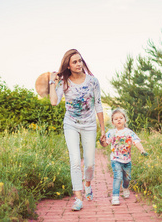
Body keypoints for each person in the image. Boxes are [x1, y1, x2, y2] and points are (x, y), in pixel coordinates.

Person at [50, 49, 105, 211]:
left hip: (89, 125)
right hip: (71, 125)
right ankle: (78, 198)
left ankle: (87, 184)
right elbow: (54, 102)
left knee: (89, 164)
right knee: (75, 161)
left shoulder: (93, 81)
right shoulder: (64, 82)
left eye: (80, 60)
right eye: (74, 62)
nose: (78, 64)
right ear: (68, 65)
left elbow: (98, 105)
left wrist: (103, 130)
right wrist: (52, 82)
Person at [100, 108, 148, 206]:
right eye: (116, 119)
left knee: (127, 178)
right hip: (115, 160)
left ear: (125, 120)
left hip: (127, 160)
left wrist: (142, 150)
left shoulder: (129, 132)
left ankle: (125, 188)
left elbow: (136, 142)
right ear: (113, 122)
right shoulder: (111, 133)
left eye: (121, 118)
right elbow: (105, 144)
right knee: (117, 177)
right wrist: (102, 141)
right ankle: (115, 197)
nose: (119, 120)